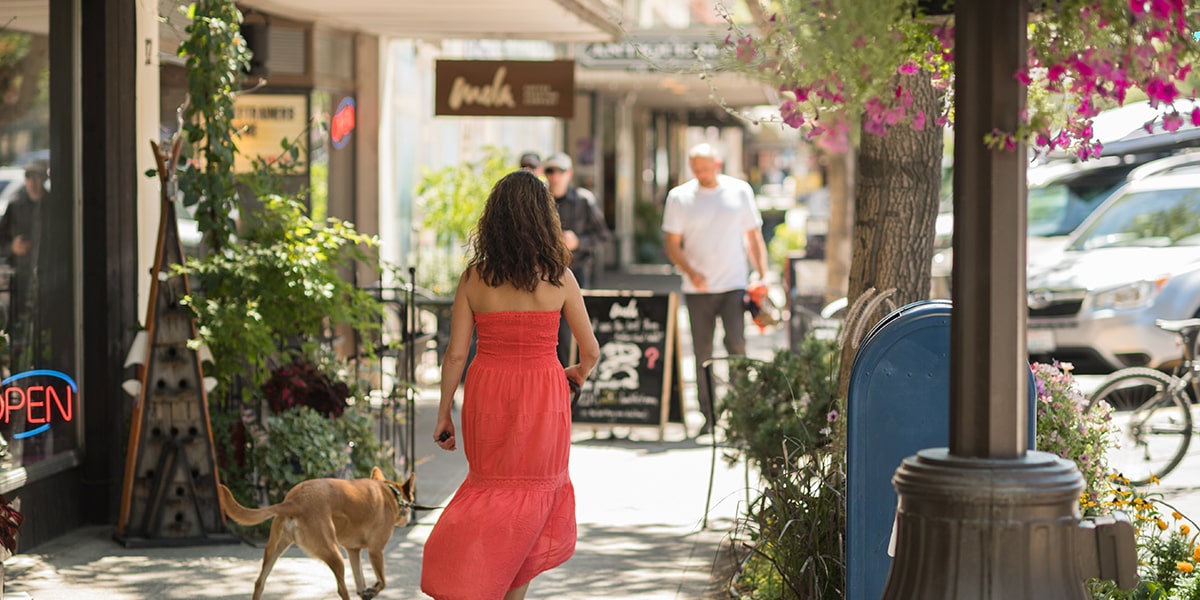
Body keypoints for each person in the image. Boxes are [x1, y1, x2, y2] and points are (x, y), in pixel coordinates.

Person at [421, 169, 600, 600]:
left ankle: (470, 583)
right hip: (544, 390)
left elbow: (456, 355)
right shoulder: (560, 279)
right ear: (545, 219)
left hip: (488, 390)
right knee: (535, 497)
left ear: (493, 220)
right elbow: (590, 350)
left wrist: (445, 411)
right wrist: (574, 375)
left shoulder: (474, 277)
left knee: (489, 488)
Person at [662, 143, 768, 436]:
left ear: (717, 165)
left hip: (734, 283)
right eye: (695, 169)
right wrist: (691, 271)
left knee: (736, 346)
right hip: (698, 289)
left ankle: (740, 414)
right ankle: (709, 416)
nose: (700, 174)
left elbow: (753, 235)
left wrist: (762, 273)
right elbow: (671, 243)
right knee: (703, 353)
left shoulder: (739, 191)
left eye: (705, 169)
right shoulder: (680, 197)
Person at [542, 152, 609, 366]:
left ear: (569, 174)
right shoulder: (538, 199)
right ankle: (554, 374)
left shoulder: (584, 200)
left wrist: (578, 241)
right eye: (549, 171)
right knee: (548, 327)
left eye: (559, 171)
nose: (554, 176)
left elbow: (602, 236)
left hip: (576, 271)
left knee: (571, 328)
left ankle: (569, 376)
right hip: (543, 272)